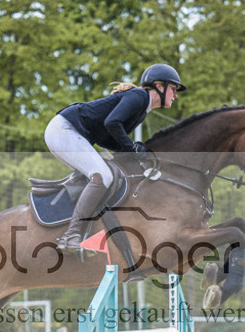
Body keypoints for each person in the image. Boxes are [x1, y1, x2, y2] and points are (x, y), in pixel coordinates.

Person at [45, 63, 186, 253]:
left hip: (68, 131)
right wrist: (132, 149)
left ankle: (79, 231)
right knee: (102, 176)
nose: (175, 95)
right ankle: (70, 236)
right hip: (64, 130)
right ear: (159, 86)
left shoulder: (142, 109)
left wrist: (132, 153)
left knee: (104, 175)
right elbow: (112, 122)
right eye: (173, 89)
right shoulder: (139, 96)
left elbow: (107, 137)